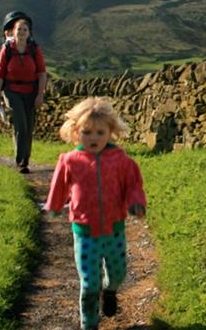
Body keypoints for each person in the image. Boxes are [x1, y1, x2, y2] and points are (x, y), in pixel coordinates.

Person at [44, 97, 147, 330]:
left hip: (115, 230)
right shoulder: (70, 161)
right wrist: (53, 204)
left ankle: (110, 291)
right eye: (87, 132)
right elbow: (59, 186)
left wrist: (136, 203)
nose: (93, 138)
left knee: (118, 273)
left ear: (110, 132)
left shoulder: (121, 161)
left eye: (100, 132)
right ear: (75, 132)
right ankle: (88, 324)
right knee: (89, 284)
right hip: (85, 232)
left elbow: (132, 185)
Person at [0, 10, 48, 174]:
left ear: (29, 32)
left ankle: (25, 159)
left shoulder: (34, 49)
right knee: (20, 125)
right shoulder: (7, 49)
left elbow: (42, 72)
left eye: (25, 29)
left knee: (29, 126)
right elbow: (0, 73)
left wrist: (40, 94)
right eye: (19, 29)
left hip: (31, 91)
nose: (22, 32)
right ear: (12, 32)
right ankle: (21, 162)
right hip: (12, 91)